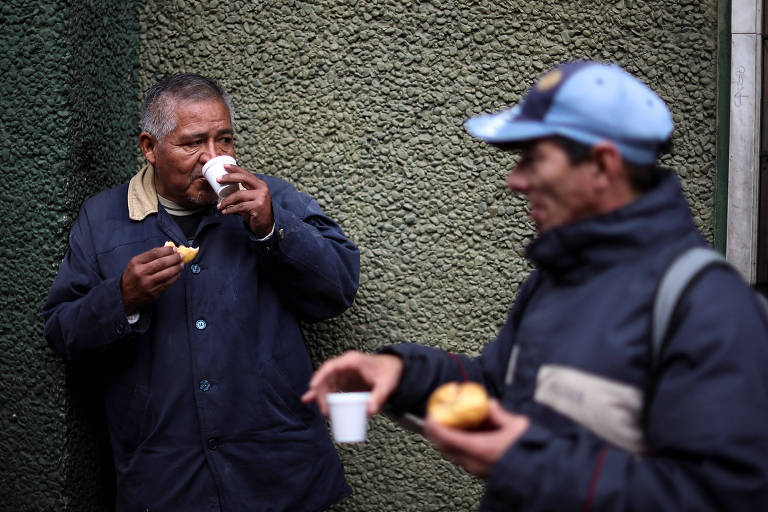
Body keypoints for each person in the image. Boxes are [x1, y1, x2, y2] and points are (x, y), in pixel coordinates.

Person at [301, 61, 768, 510]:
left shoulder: (710, 307)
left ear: (603, 166)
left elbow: (724, 496)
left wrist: (525, 463)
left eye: (532, 159)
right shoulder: (555, 279)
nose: (514, 181)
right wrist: (401, 373)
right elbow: (501, 392)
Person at [43, 73, 360, 511]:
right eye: (193, 143)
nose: (214, 158)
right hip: (167, 479)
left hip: (278, 471)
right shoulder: (102, 221)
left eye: (225, 140)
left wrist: (271, 230)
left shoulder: (270, 199)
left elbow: (338, 289)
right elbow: (62, 331)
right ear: (150, 148)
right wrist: (122, 298)